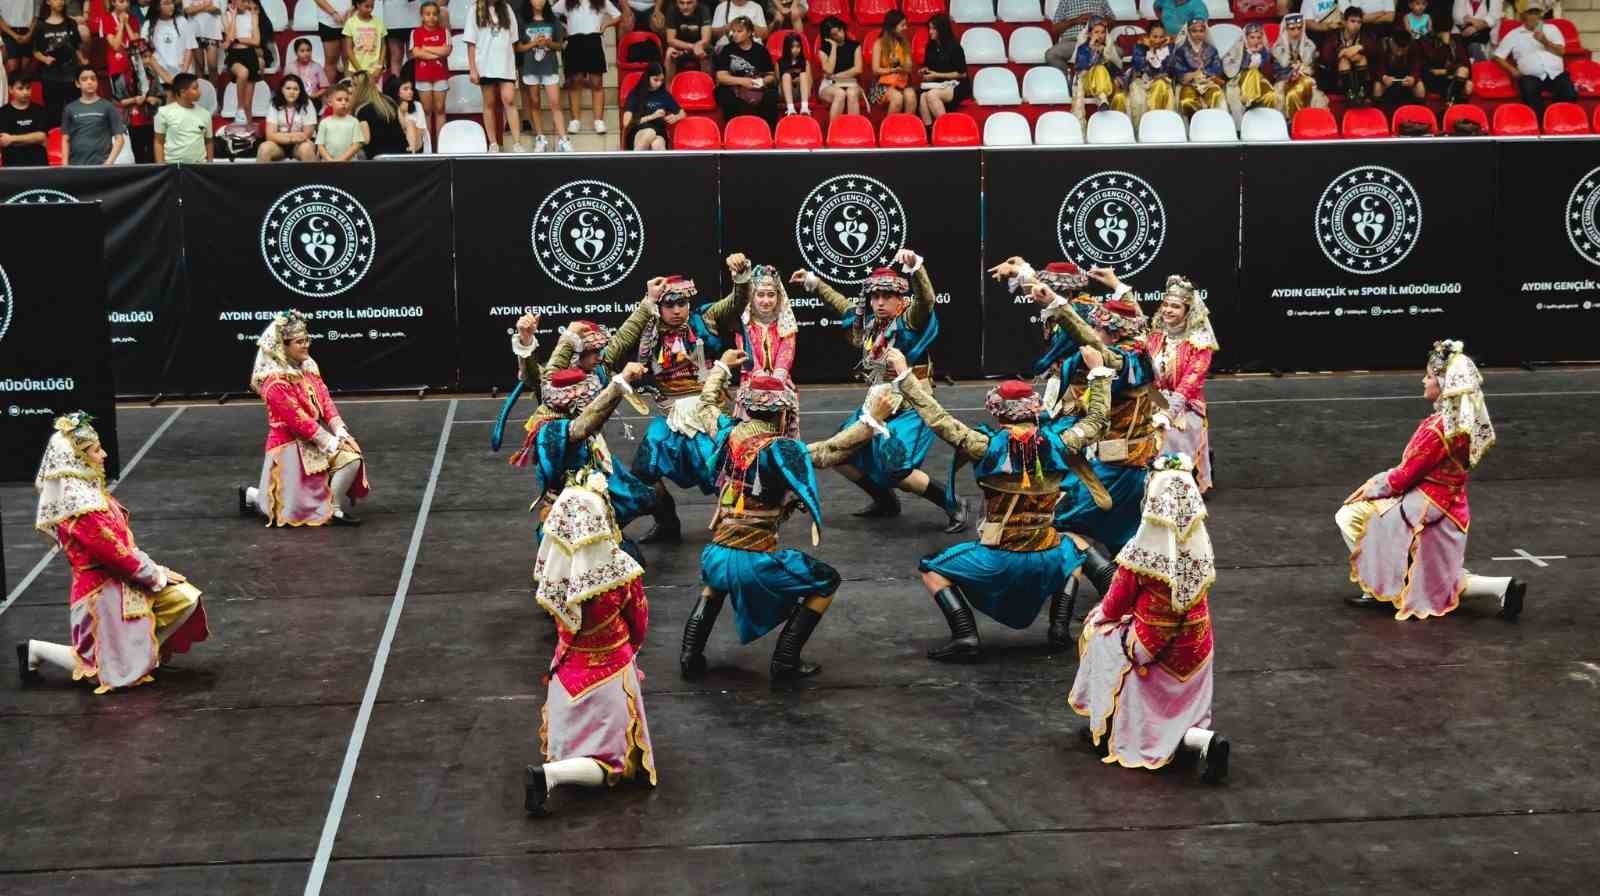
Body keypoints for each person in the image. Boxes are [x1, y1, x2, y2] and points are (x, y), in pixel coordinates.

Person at [680, 352, 898, 681]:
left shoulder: (728, 434)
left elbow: (706, 405)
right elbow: (831, 450)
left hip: (716, 554)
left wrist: (722, 367)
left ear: (746, 407)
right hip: (754, 561)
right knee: (827, 580)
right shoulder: (780, 451)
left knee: (714, 585)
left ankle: (689, 655)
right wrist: (872, 419)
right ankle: (785, 660)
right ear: (783, 410)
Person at [889, 347, 1112, 662]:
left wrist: (904, 374)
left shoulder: (985, 446)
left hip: (999, 559)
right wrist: (1099, 373)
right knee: (1073, 555)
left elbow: (937, 418)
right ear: (1034, 410)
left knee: (932, 569)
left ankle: (965, 635)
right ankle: (1059, 628)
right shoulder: (1061, 443)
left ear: (997, 413)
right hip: (1046, 556)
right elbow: (1098, 420)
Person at [989, 258, 1159, 594]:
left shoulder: (1120, 359)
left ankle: (1106, 579)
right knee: (1120, 532)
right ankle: (1132, 591)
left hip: (1118, 464)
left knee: (1062, 521)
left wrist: (1054, 303)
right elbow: (1134, 325)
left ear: (1110, 332)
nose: (1094, 332)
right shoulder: (1138, 347)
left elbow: (1087, 337)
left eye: (1099, 329)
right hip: (1124, 462)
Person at [549, 258, 750, 543]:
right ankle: (668, 523)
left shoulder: (706, 322)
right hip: (670, 417)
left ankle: (738, 528)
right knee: (644, 470)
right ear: (660, 307)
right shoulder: (650, 332)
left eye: (682, 304)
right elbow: (618, 344)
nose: (677, 310)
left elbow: (736, 302)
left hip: (708, 415)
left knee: (721, 471)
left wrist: (741, 278)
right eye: (670, 305)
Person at [1069, 453, 1230, 785]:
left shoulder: (1138, 556)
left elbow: (1112, 608)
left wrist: (1100, 616)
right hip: (1197, 645)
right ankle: (1204, 740)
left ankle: (1104, 727)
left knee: (1096, 634)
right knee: (1182, 712)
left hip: (1151, 645)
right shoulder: (1201, 547)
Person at [20, 411, 210, 693]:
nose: (104, 454)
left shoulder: (91, 493)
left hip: (123, 580)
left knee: (184, 599)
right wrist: (154, 573)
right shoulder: (81, 509)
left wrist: (153, 568)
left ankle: (140, 655)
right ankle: (36, 651)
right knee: (101, 670)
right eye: (97, 450)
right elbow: (116, 554)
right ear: (76, 460)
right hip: (99, 594)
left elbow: (125, 545)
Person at [1338, 340, 1525, 621]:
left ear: (1442, 383)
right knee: (1439, 578)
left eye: (1428, 376)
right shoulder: (1458, 423)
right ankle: (1504, 587)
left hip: (1425, 506)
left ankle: (1380, 587)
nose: (1423, 380)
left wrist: (1370, 487)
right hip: (1452, 506)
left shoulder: (1439, 429)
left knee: (1349, 516)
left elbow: (1403, 477)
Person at [791, 248, 969, 533]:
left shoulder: (910, 322)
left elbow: (927, 299)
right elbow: (842, 306)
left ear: (901, 301)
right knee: (842, 452)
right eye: (875, 297)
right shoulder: (869, 324)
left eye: (888, 297)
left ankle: (953, 502)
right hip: (878, 402)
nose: (880, 302)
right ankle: (885, 500)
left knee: (895, 466)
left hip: (912, 404)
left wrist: (916, 268)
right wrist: (814, 283)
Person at [524, 475, 656, 817]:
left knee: (568, 746)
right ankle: (549, 777)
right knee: (612, 764)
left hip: (565, 672)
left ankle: (558, 767)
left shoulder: (554, 572)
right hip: (609, 675)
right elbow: (639, 624)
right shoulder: (621, 575)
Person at [507, 361, 655, 564]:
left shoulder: (555, 414)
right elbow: (590, 419)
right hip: (573, 516)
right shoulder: (560, 431)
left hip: (588, 502)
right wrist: (622, 381)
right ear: (575, 402)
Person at [238, 311, 371, 527]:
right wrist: (331, 443)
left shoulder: (308, 368)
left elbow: (326, 402)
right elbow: (298, 420)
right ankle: (252, 495)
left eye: (307, 339)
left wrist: (340, 432)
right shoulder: (274, 382)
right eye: (300, 342)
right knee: (288, 512)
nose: (306, 345)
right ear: (285, 345)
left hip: (313, 440)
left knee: (351, 458)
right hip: (289, 446)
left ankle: (333, 509)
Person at [1146, 276, 1217, 493]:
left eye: (1175, 306)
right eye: (1165, 304)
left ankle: (1172, 487)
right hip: (1153, 400)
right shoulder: (1155, 337)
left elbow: (1189, 383)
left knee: (1171, 436)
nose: (1167, 310)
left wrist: (1168, 413)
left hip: (1184, 406)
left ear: (1188, 311)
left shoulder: (1199, 344)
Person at [1495, 3, 1574, 112]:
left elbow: (1561, 52)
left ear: (1540, 16)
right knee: (1529, 91)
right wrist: (1512, 69)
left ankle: (1555, 116)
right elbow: (1498, 56)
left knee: (1570, 92)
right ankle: (1539, 122)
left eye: (1536, 13)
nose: (1533, 16)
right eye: (1530, 13)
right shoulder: (1514, 34)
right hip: (1531, 77)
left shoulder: (1552, 29)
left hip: (1555, 74)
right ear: (1523, 16)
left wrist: (1545, 42)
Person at [465, 0, 518, 150]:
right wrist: (473, 69)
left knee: (509, 100)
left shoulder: (507, 8)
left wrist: (512, 65)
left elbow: (513, 40)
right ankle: (493, 143)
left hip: (505, 64)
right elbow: (471, 42)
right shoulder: (475, 9)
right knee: (489, 103)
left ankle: (517, 143)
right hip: (485, 64)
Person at [561, 0, 619, 137]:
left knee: (596, 82)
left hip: (594, 41)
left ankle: (598, 120)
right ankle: (575, 120)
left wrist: (605, 25)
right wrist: (565, 27)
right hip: (574, 41)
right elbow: (552, 13)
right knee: (575, 81)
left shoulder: (601, 2)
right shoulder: (566, 2)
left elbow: (617, 15)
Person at [517, 0, 569, 152]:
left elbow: (559, 45)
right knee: (534, 102)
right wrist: (533, 44)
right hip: (530, 67)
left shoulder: (553, 20)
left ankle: (563, 139)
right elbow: (518, 47)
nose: (539, 1)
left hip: (550, 66)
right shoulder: (522, 21)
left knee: (555, 103)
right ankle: (540, 138)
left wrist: (548, 43)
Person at [713, 15, 776, 124]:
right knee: (723, 93)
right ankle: (732, 129)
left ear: (750, 32)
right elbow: (721, 76)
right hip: (734, 88)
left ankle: (768, 132)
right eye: (733, 31)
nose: (735, 34)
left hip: (756, 87)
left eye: (739, 31)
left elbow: (771, 75)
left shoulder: (761, 50)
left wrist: (762, 81)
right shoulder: (727, 49)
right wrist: (742, 82)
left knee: (772, 95)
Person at [33, 0, 87, 125]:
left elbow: (76, 47)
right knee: (54, 116)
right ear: (48, 2)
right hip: (50, 76)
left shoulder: (71, 23)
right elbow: (35, 51)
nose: (60, 2)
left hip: (71, 75)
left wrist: (83, 60)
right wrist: (45, 59)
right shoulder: (40, 26)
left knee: (75, 114)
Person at [62, 67, 127, 165]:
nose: (89, 82)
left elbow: (120, 139)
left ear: (97, 82)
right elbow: (65, 139)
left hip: (101, 167)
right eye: (84, 79)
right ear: (77, 83)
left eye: (93, 78)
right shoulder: (69, 109)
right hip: (76, 166)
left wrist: (108, 163)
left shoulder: (108, 106)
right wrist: (65, 165)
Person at [1168, 16, 1226, 118]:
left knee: (1216, 95)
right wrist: (1194, 74)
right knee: (1187, 101)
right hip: (1189, 84)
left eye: (1201, 31)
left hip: (1208, 83)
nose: (1198, 34)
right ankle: (1198, 121)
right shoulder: (1181, 51)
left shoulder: (1211, 50)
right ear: (1188, 32)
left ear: (1205, 32)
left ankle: (1212, 124)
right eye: (1194, 31)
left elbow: (1217, 69)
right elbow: (1178, 72)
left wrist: (1206, 74)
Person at [1070, 16, 1125, 124]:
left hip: (1107, 84)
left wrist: (1117, 78)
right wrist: (1093, 52)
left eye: (1103, 32)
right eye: (1096, 32)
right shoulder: (1083, 49)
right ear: (1090, 34)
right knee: (1099, 68)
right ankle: (1102, 99)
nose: (1100, 35)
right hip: (1087, 83)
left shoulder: (1107, 49)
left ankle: (1117, 122)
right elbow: (1082, 69)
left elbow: (1116, 69)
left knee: (1120, 96)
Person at [1271, 13, 1327, 119]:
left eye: (1299, 28)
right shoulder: (1278, 48)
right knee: (1284, 95)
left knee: (1312, 94)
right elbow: (1277, 70)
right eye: (1292, 29)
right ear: (1285, 29)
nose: (1296, 32)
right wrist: (1291, 74)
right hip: (1284, 81)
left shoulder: (1309, 45)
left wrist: (1302, 70)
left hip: (1305, 79)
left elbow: (1311, 68)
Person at [918, 13, 968, 127]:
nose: (930, 31)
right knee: (922, 97)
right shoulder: (930, 47)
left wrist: (936, 75)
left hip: (957, 85)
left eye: (933, 29)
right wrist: (925, 70)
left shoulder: (955, 47)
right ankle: (930, 132)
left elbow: (962, 74)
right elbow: (929, 67)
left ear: (942, 30)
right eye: (929, 28)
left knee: (931, 95)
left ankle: (946, 129)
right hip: (938, 84)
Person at [1223, 21, 1278, 124]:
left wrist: (1258, 52)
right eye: (1252, 37)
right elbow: (1241, 66)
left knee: (1270, 95)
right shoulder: (1237, 48)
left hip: (1257, 78)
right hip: (1239, 78)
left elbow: (1264, 61)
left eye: (1258, 37)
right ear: (1245, 37)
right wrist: (1249, 53)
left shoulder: (1262, 50)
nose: (1256, 40)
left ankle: (1268, 123)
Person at [221, 0, 266, 124]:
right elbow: (229, 38)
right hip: (234, 56)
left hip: (250, 55)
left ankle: (248, 130)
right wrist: (234, 16)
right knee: (243, 72)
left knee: (248, 104)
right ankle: (239, 108)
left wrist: (237, 39)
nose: (241, 2)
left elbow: (256, 41)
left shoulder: (252, 14)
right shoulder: (226, 15)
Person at [1125, 20, 1178, 126]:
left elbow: (1168, 69)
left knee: (1160, 85)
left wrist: (1159, 72)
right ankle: (1146, 126)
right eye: (1154, 36)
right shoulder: (1139, 47)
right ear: (1148, 36)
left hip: (1161, 82)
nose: (1158, 40)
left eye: (1161, 37)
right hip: (1142, 82)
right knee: (1142, 95)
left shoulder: (1169, 48)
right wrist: (1151, 49)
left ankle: (1155, 124)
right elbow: (1142, 68)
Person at [621, 60, 683, 149]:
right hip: (638, 131)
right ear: (647, 77)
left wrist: (676, 117)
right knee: (650, 132)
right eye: (655, 80)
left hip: (659, 132)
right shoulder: (636, 94)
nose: (659, 83)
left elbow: (682, 113)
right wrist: (653, 116)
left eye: (661, 80)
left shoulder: (664, 94)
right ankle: (635, 160)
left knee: (658, 144)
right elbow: (626, 122)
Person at [410, 2, 449, 143]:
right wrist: (437, 52)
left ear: (438, 16)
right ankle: (427, 145)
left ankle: (441, 143)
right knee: (426, 110)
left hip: (440, 75)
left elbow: (446, 51)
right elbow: (416, 53)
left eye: (434, 14)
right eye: (427, 14)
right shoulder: (416, 32)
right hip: (423, 76)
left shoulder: (444, 31)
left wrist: (426, 48)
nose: (431, 17)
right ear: (422, 16)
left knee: (439, 109)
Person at [1043, 0, 1113, 77]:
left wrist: (1100, 22)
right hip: (1072, 42)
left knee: (1118, 52)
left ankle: (1102, 82)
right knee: (1051, 54)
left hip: (1098, 41)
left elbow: (1111, 19)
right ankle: (1067, 80)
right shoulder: (1065, 1)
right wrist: (1076, 21)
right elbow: (1055, 28)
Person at [153, 70, 212, 160]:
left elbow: (209, 141)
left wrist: (210, 164)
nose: (199, 91)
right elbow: (158, 142)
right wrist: (161, 167)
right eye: (195, 88)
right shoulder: (163, 112)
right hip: (173, 167)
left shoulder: (205, 114)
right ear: (183, 92)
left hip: (199, 167)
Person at [1320, 6, 1373, 104]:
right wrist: (1342, 54)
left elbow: (1375, 50)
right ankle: (1351, 96)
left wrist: (1360, 47)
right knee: (1344, 61)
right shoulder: (1333, 35)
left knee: (1361, 58)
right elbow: (1325, 57)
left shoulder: (1365, 35)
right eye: (1352, 21)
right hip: (1336, 76)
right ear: (1344, 22)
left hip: (1358, 74)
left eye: (1359, 22)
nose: (1356, 25)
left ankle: (1361, 93)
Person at [258, 71, 317, 160]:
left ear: (300, 91)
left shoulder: (307, 104)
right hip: (279, 145)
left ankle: (314, 174)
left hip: (300, 144)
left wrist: (281, 135)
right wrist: (291, 138)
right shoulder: (274, 103)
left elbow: (306, 135)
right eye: (288, 88)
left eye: (295, 89)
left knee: (306, 148)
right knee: (264, 148)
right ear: (282, 90)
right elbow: (269, 135)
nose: (292, 92)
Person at [351, 69, 408, 154]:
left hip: (377, 158)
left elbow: (366, 140)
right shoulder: (389, 101)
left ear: (359, 87)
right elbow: (404, 126)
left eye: (353, 85)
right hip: (400, 152)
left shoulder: (361, 110)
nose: (351, 89)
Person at [870, 10, 915, 116]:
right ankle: (889, 130)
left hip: (902, 83)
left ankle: (908, 129)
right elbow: (875, 70)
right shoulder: (879, 43)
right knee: (897, 98)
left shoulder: (904, 43)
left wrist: (901, 65)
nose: (905, 28)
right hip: (881, 85)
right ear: (892, 27)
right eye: (902, 25)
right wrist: (892, 69)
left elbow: (909, 68)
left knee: (911, 95)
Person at [816, 14, 861, 118]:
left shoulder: (855, 46)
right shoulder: (823, 51)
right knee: (840, 94)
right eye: (835, 34)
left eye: (840, 30)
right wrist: (834, 47)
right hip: (829, 84)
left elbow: (858, 69)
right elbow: (829, 71)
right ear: (828, 37)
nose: (840, 35)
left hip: (849, 82)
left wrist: (837, 77)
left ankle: (854, 131)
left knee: (852, 93)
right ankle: (833, 132)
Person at [143, 0, 198, 84]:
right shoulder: (148, 25)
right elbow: (145, 53)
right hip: (160, 76)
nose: (171, 6)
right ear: (157, 6)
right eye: (166, 3)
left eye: (172, 3)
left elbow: (189, 48)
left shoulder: (182, 21)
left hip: (183, 75)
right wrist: (162, 75)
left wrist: (182, 75)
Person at [0, 74, 49, 166]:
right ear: (10, 89)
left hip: (38, 166)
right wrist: (31, 138)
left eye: (28, 88)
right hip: (12, 167)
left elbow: (41, 137)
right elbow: (4, 141)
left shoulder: (40, 110)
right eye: (20, 88)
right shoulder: (2, 113)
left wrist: (12, 139)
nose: (25, 92)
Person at [1372, 20, 1424, 108]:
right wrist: (1383, 77)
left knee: (1420, 88)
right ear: (1392, 42)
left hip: (1406, 77)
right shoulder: (1382, 45)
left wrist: (1413, 78)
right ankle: (1379, 113)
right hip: (1387, 76)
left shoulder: (1413, 45)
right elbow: (1377, 67)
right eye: (1397, 49)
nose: (1399, 53)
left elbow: (1417, 66)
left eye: (1403, 50)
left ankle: (1418, 113)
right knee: (1377, 87)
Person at [1422, 23, 1472, 105]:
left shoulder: (1456, 39)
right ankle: (1451, 106)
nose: (1446, 34)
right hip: (1435, 79)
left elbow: (1465, 63)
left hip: (1452, 76)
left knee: (1466, 78)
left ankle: (1451, 105)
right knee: (1460, 78)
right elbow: (1432, 65)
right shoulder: (1427, 40)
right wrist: (1445, 45)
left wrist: (1447, 71)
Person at [661, 0, 711, 80]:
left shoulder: (704, 9)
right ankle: (669, 89)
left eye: (689, 3)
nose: (685, 7)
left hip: (699, 45)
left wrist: (696, 48)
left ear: (696, 2)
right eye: (681, 3)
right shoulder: (672, 10)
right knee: (669, 53)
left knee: (704, 53)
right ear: (677, 2)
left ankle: (706, 87)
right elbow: (670, 40)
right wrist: (691, 47)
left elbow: (706, 39)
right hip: (679, 46)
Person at [317, 82, 365, 158]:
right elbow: (320, 146)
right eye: (339, 100)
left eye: (346, 100)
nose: (344, 102)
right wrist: (330, 160)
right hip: (329, 165)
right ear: (329, 102)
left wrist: (341, 159)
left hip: (349, 164)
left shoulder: (354, 121)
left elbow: (356, 145)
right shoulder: (324, 122)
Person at [342, 0, 386, 79]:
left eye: (372, 6)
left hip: (375, 71)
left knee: (375, 91)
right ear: (358, 5)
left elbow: (383, 47)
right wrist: (360, 71)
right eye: (367, 6)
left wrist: (379, 67)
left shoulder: (379, 22)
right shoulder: (350, 23)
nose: (370, 9)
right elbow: (348, 50)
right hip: (356, 70)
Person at [311, 0, 351, 86]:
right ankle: (327, 95)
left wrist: (351, 11)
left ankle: (351, 95)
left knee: (349, 60)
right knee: (331, 62)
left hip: (349, 21)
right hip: (328, 22)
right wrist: (333, 13)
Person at [285, 36, 331, 105]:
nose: (306, 53)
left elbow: (325, 87)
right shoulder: (290, 67)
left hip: (312, 99)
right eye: (302, 51)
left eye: (308, 50)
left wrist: (315, 95)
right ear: (296, 52)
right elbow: (285, 86)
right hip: (294, 99)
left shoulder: (317, 67)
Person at [382, 0, 420, 79]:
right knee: (396, 55)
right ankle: (396, 86)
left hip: (414, 16)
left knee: (413, 55)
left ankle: (413, 86)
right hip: (393, 17)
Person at [185, 0, 222, 78]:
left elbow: (217, 10)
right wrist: (206, 5)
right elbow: (188, 10)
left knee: (213, 66)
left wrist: (196, 8)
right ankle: (200, 89)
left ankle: (214, 89)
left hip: (212, 33)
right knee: (199, 66)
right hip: (195, 32)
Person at [775, 29, 809, 116]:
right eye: (792, 47)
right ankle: (790, 109)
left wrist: (800, 81)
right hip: (785, 93)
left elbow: (810, 82)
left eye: (798, 46)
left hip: (801, 93)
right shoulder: (779, 62)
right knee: (786, 76)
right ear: (787, 48)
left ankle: (804, 108)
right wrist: (791, 81)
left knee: (803, 74)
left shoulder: (805, 62)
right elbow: (778, 82)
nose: (795, 49)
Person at [392, 77, 425, 151]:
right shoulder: (392, 107)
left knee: (410, 123)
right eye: (405, 89)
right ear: (397, 92)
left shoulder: (417, 105)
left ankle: (411, 154)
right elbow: (398, 129)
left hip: (417, 142)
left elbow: (421, 129)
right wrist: (401, 112)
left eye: (411, 89)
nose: (410, 92)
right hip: (398, 142)